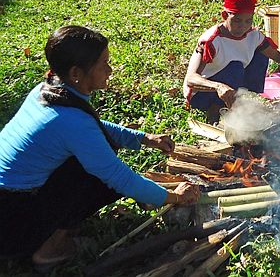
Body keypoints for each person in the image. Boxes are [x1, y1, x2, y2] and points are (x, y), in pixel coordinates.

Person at [0, 26, 200, 270]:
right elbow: (119, 177)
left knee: (98, 152)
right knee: (101, 177)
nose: (110, 70)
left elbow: (92, 127)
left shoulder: (47, 90)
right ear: (76, 73)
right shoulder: (71, 121)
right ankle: (49, 250)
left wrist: (143, 138)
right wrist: (174, 196)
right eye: (103, 64)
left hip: (10, 202)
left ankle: (49, 230)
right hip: (12, 220)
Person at [183, 0, 280, 122]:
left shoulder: (253, 36)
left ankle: (241, 101)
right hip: (202, 95)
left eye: (248, 21)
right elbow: (191, 79)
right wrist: (219, 87)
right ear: (225, 16)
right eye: (237, 21)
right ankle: (215, 109)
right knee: (235, 68)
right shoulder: (212, 41)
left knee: (260, 55)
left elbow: (279, 56)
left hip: (229, 86)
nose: (243, 27)